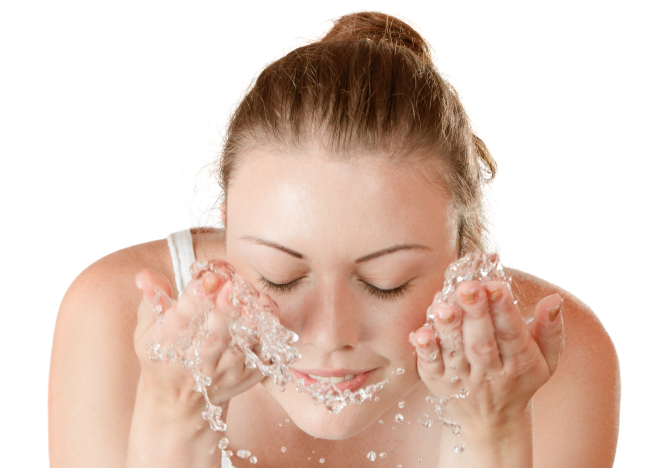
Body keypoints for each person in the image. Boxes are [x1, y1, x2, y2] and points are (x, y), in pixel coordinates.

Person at [48, 11, 620, 468]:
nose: (327, 335)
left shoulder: (551, 366)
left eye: (384, 284)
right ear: (230, 230)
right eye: (279, 275)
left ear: (465, 256)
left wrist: (491, 431)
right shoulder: (116, 317)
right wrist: (175, 412)